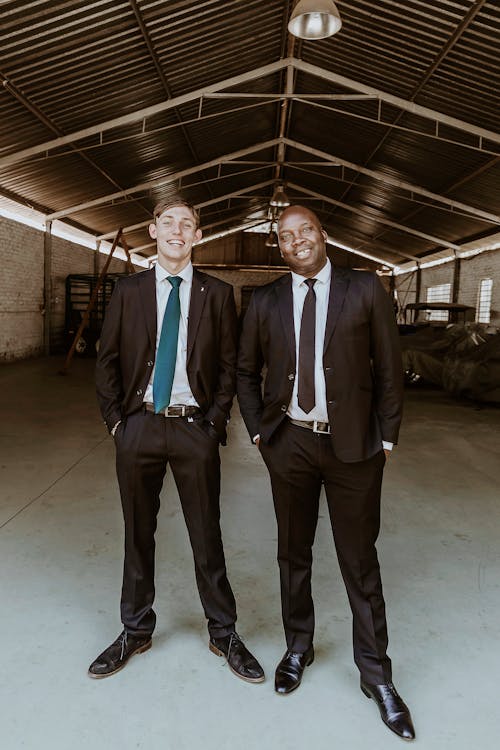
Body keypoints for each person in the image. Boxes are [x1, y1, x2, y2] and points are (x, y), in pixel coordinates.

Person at [237, 205, 414, 739]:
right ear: (280, 247)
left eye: (305, 230)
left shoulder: (365, 290)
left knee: (359, 561)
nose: (296, 241)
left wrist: (385, 437)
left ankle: (376, 675)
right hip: (288, 442)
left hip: (353, 449)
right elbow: (244, 370)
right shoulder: (265, 300)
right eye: (285, 237)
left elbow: (389, 367)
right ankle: (298, 647)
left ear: (323, 233)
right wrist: (258, 433)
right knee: (293, 553)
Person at [90, 196, 263, 684]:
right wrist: (117, 425)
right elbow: (106, 363)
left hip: (193, 427)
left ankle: (224, 632)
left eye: (187, 223)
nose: (177, 230)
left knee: (206, 533)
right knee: (137, 533)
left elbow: (229, 366)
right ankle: (135, 629)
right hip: (139, 425)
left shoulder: (217, 292)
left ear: (198, 236)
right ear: (153, 231)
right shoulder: (128, 290)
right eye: (168, 222)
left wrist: (213, 424)